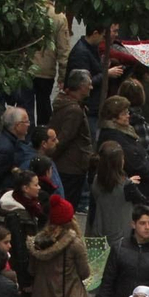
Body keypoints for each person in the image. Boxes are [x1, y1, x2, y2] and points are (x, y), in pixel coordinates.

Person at [50, 70, 96, 208]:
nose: (91, 87)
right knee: (68, 205)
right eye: (89, 84)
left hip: (67, 164)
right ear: (81, 86)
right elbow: (64, 138)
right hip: (71, 166)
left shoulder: (66, 104)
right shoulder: (74, 110)